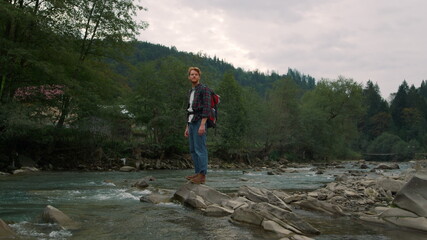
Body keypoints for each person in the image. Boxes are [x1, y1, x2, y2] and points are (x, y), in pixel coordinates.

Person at [184, 67, 211, 184]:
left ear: (199, 77)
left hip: (200, 121)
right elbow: (189, 110)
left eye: (196, 74)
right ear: (189, 77)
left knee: (200, 149)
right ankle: (197, 173)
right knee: (193, 149)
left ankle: (202, 175)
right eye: (191, 74)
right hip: (191, 121)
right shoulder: (191, 91)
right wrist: (187, 126)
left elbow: (207, 108)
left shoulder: (204, 89)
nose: (193, 76)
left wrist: (202, 125)